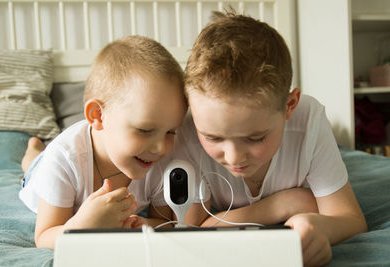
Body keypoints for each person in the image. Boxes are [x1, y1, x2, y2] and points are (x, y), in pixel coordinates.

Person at [175, 10, 367, 266]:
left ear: (290, 105)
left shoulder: (308, 120)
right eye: (212, 137)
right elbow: (192, 232)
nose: (233, 157)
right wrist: (281, 205)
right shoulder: (186, 129)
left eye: (255, 138)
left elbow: (350, 219)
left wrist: (320, 227)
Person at [19, 35, 187, 249]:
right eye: (145, 130)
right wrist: (82, 227)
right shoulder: (63, 159)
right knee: (33, 169)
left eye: (171, 132)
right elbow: (44, 237)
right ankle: (34, 151)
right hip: (43, 168)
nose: (161, 147)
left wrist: (143, 224)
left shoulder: (159, 160)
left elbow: (165, 222)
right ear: (98, 115)